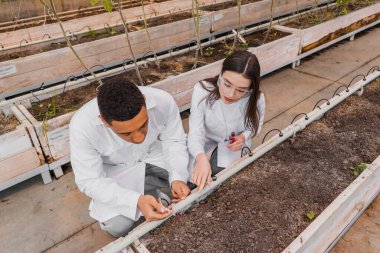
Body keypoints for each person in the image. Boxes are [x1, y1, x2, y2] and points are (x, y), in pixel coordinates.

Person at [69, 77, 191, 237]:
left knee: (194, 180)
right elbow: (89, 180)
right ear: (103, 121)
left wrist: (178, 176)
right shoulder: (81, 126)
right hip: (116, 170)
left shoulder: (163, 100)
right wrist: (136, 201)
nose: (139, 138)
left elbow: (174, 140)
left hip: (153, 154)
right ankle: (156, 195)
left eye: (143, 125)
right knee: (118, 226)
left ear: (145, 102)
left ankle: (159, 192)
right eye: (126, 133)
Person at [187, 51, 265, 191]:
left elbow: (254, 125)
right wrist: (200, 156)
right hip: (204, 143)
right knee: (192, 180)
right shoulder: (203, 90)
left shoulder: (256, 99)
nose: (230, 94)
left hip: (232, 147)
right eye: (227, 84)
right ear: (221, 73)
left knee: (222, 180)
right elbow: (195, 131)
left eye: (241, 90)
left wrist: (243, 137)